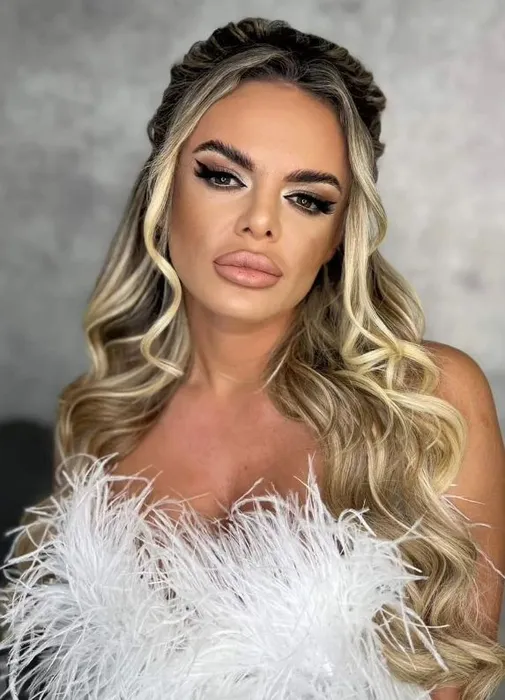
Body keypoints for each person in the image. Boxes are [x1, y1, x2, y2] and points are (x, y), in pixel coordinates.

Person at [1, 16, 505, 700]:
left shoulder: (427, 403)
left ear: (339, 235)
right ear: (163, 190)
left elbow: (456, 680)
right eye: (222, 175)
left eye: (307, 199)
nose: (260, 222)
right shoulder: (101, 421)